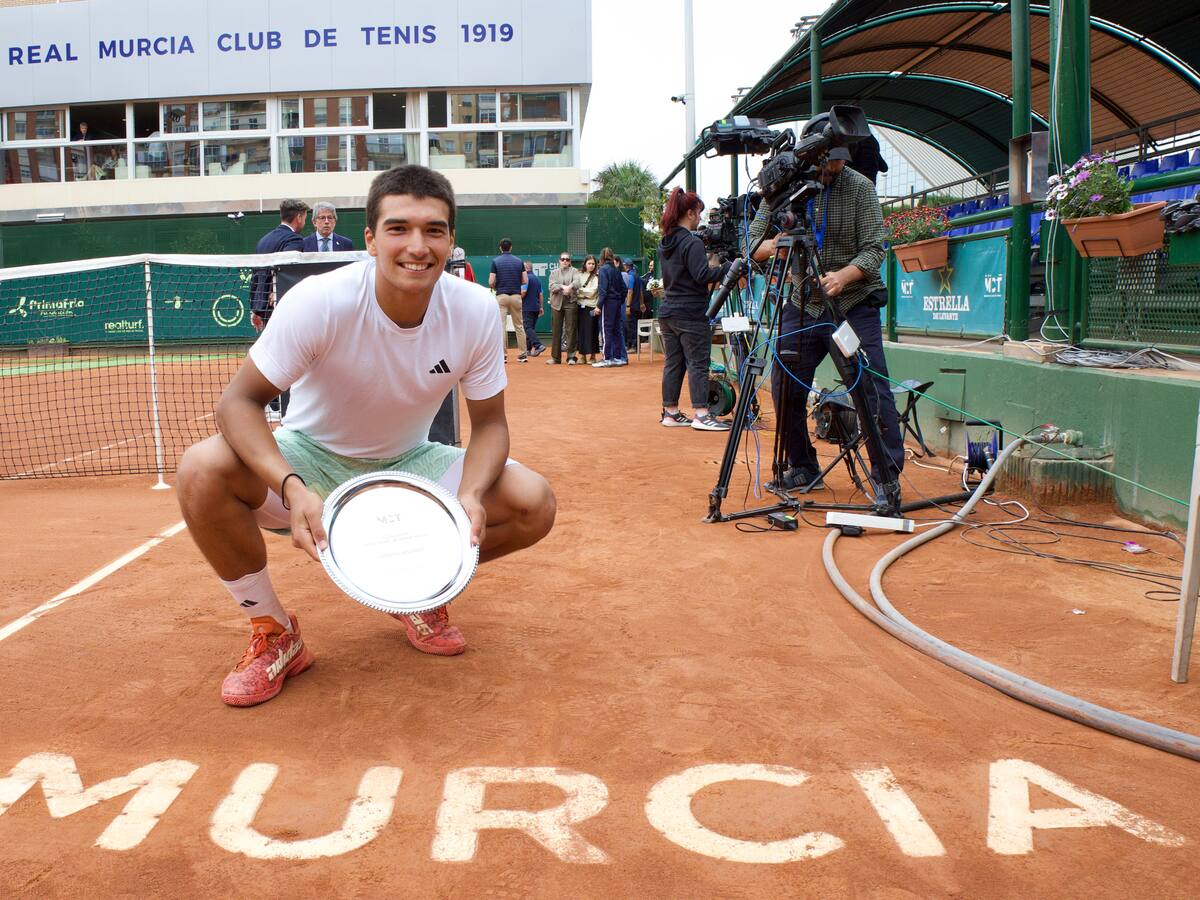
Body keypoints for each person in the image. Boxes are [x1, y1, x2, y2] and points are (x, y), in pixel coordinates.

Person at [175, 164, 557, 708]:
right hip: (309, 459)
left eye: (434, 230)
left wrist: (470, 495)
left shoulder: (474, 310)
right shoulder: (321, 301)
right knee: (201, 468)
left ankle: (416, 591)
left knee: (533, 503)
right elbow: (237, 403)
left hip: (411, 466)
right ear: (371, 240)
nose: (417, 246)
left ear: (450, 240)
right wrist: (291, 487)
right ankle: (274, 632)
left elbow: (491, 424)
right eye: (399, 229)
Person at [747, 112, 902, 492]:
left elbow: (874, 249)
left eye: (840, 160)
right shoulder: (784, 186)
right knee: (785, 385)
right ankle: (802, 467)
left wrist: (844, 276)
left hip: (853, 303)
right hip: (802, 302)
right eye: (829, 161)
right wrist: (776, 246)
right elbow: (751, 245)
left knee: (871, 388)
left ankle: (886, 477)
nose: (835, 168)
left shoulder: (860, 187)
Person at [656, 188, 730, 430]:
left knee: (673, 363)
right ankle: (701, 414)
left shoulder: (665, 242)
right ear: (689, 213)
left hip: (669, 311)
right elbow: (702, 275)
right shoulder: (692, 242)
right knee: (698, 362)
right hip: (690, 312)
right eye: (698, 213)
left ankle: (670, 412)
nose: (700, 218)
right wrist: (727, 269)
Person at [251, 199, 309, 419]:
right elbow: (287, 269)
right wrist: (277, 290)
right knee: (289, 356)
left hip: (265, 307)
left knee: (271, 354)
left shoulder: (264, 240)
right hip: (282, 305)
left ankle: (272, 404)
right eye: (305, 217)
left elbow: (257, 276)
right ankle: (280, 405)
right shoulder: (294, 239)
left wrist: (255, 308)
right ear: (299, 217)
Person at [489, 239, 528, 363]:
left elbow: (491, 281)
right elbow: (525, 280)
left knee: (501, 326)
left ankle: (503, 356)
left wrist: (496, 286)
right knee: (519, 326)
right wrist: (515, 282)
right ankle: (523, 354)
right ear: (511, 247)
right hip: (516, 296)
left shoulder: (495, 261)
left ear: (500, 248)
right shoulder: (519, 261)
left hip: (501, 296)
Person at [593, 248, 628, 368]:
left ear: (602, 257)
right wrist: (620, 301)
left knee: (606, 330)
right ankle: (618, 358)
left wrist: (598, 306)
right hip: (617, 303)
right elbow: (624, 289)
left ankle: (606, 358)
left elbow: (603, 290)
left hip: (608, 303)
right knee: (616, 330)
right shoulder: (617, 270)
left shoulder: (603, 269)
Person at [546, 252, 580, 365]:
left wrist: (570, 287)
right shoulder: (554, 273)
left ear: (570, 261)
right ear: (559, 261)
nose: (565, 261)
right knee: (556, 330)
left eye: (567, 259)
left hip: (571, 303)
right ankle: (555, 358)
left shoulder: (574, 271)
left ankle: (571, 357)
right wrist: (562, 287)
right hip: (557, 304)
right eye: (563, 259)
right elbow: (551, 286)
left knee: (571, 330)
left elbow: (577, 282)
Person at [575, 255, 601, 364]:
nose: (591, 265)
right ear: (585, 264)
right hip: (580, 306)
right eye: (589, 263)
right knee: (581, 331)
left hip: (592, 307)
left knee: (592, 331)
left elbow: (593, 292)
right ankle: (582, 356)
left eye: (593, 264)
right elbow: (575, 290)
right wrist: (583, 293)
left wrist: (581, 292)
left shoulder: (597, 277)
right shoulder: (579, 275)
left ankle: (593, 356)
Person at [520, 260, 546, 357]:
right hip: (536, 307)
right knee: (531, 328)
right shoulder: (537, 279)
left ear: (526, 268)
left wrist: (515, 299)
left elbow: (523, 292)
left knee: (528, 327)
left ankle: (538, 345)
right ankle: (528, 349)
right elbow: (541, 294)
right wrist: (541, 307)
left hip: (527, 307)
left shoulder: (525, 278)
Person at [623, 259, 646, 351]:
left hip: (632, 306)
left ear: (626, 266)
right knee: (635, 326)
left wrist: (628, 306)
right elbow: (640, 292)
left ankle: (633, 346)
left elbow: (630, 291)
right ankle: (636, 346)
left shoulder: (630, 276)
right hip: (637, 306)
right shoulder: (637, 276)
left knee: (631, 326)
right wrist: (642, 303)